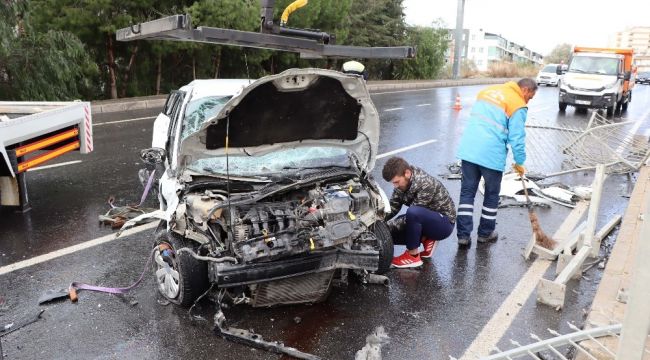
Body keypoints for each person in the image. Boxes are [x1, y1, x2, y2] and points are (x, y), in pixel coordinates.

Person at [455, 78, 537, 247]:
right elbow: (517, 137)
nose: (528, 101)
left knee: (467, 194)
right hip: (491, 156)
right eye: (530, 97)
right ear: (526, 90)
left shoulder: (487, 91)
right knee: (491, 195)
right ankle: (485, 234)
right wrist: (519, 162)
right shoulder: (517, 104)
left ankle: (463, 236)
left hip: (469, 150)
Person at [382, 157, 456, 268]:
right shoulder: (402, 183)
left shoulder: (425, 183)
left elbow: (412, 216)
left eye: (397, 182)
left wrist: (385, 227)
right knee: (386, 236)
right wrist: (377, 222)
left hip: (444, 224)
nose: (395, 186)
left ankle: (412, 256)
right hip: (426, 220)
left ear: (407, 173)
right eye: (393, 183)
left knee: (412, 213)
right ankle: (427, 239)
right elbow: (392, 207)